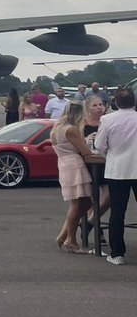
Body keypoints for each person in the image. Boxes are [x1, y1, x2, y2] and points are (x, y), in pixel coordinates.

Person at [96, 88, 137, 266]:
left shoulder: (107, 119)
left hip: (118, 170)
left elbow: (99, 144)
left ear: (115, 102)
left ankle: (117, 253)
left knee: (117, 213)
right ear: (134, 101)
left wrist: (109, 153)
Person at [52, 103, 93, 254]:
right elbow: (85, 151)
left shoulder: (57, 128)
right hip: (75, 165)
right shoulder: (71, 129)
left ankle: (65, 235)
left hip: (64, 164)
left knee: (82, 202)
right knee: (79, 203)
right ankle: (70, 239)